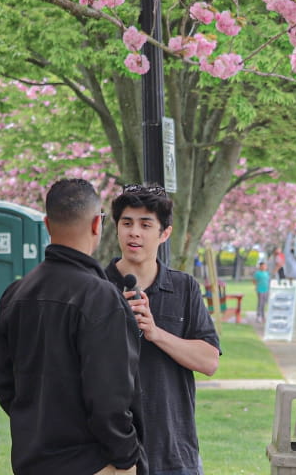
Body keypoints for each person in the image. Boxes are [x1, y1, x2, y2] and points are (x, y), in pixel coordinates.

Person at [0, 179, 146, 475]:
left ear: (47, 224)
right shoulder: (100, 296)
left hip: (32, 459)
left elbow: (4, 383)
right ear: (96, 224)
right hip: (93, 463)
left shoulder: (15, 294)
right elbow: (109, 397)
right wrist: (127, 459)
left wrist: (38, 423)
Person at [105, 184, 220, 475]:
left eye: (146, 225)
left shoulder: (184, 287)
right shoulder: (95, 288)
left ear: (164, 233)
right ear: (116, 228)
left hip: (174, 451)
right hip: (108, 453)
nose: (135, 233)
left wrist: (156, 333)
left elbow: (209, 361)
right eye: (127, 223)